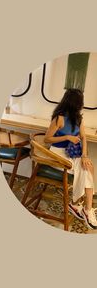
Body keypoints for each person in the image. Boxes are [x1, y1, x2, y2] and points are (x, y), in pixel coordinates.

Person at [44, 88, 97, 229]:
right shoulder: (59, 118)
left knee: (88, 165)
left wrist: (84, 156)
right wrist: (67, 137)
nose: (82, 104)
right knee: (86, 170)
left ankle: (84, 208)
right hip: (57, 153)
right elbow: (47, 139)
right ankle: (82, 207)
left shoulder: (78, 118)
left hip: (71, 152)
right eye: (80, 102)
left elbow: (84, 137)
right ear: (75, 103)